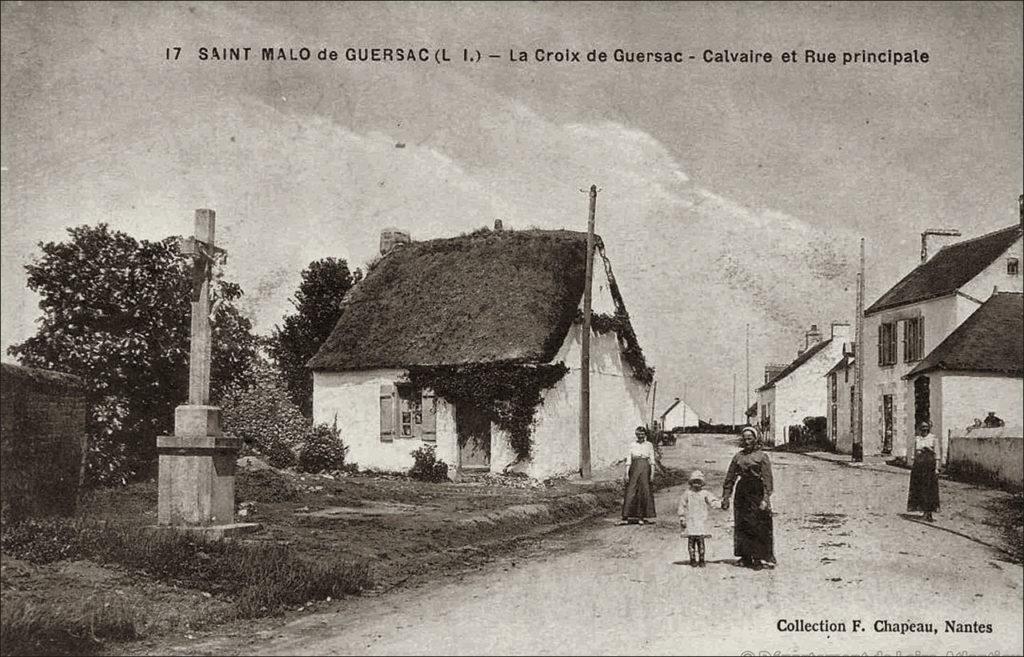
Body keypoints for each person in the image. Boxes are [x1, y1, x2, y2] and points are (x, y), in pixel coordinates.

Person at [722, 426, 775, 569]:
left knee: (757, 524)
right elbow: (730, 478)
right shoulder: (738, 457)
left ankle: (758, 558)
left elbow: (768, 480)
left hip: (756, 491)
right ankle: (745, 556)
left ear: (756, 439)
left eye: (750, 438)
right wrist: (726, 497)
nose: (747, 442)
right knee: (742, 523)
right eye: (744, 439)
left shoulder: (762, 457)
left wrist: (765, 499)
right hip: (742, 492)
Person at [678, 470, 720, 567]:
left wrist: (719, 504)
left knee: (701, 542)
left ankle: (702, 559)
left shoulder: (705, 493)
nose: (696, 484)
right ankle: (692, 559)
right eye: (694, 482)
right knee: (691, 542)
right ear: (691, 483)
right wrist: (682, 517)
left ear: (702, 483)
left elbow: (712, 501)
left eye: (699, 482)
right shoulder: (687, 494)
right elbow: (681, 505)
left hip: (701, 521)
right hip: (691, 521)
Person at [621, 426, 656, 525]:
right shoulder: (632, 445)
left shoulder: (649, 445)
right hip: (634, 468)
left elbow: (652, 460)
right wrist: (626, 473)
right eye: (638, 434)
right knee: (631, 491)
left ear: (645, 435)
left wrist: (652, 474)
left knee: (644, 491)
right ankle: (627, 516)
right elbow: (629, 459)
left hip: (645, 468)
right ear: (636, 435)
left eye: (642, 434)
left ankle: (641, 517)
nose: (640, 436)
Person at [907, 421, 940, 522]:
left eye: (926, 428)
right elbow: (913, 453)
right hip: (919, 466)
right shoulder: (917, 439)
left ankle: (929, 512)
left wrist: (937, 468)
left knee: (929, 489)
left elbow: (937, 455)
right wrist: (913, 463)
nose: (924, 430)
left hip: (929, 466)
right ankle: (923, 510)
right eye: (922, 428)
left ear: (929, 428)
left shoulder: (934, 438)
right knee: (919, 488)